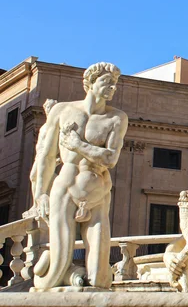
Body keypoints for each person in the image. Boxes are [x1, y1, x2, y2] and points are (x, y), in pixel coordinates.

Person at [32, 62, 128, 290]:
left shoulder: (116, 118)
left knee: (99, 275)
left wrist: (77, 145)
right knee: (57, 263)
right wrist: (41, 194)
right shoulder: (61, 111)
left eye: (114, 84)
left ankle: (84, 282)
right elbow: (46, 156)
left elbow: (110, 159)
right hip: (64, 187)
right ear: (90, 84)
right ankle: (55, 275)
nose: (112, 88)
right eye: (106, 82)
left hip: (98, 191)